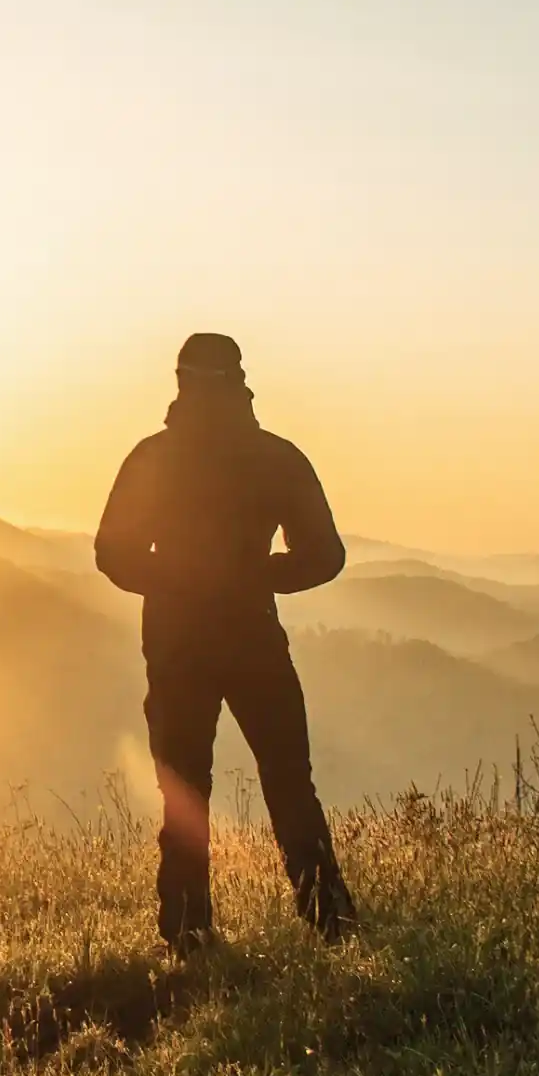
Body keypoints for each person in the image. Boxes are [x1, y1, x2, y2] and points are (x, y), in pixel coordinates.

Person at [95, 332, 356, 949]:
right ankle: (331, 923)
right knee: (290, 782)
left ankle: (188, 934)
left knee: (185, 790)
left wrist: (176, 580)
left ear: (180, 382)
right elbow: (327, 556)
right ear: (240, 381)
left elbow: (113, 554)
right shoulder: (275, 457)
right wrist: (258, 575)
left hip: (175, 642)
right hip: (254, 638)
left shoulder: (152, 458)